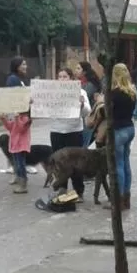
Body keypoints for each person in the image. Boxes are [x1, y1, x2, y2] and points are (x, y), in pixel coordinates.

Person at [49, 68, 91, 199]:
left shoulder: (80, 91)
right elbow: (43, 110)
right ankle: (62, 189)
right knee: (59, 162)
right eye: (59, 77)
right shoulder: (51, 93)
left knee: (76, 163)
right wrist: (36, 104)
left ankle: (79, 191)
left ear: (71, 78)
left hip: (74, 131)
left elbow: (86, 112)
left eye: (65, 76)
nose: (62, 79)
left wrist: (82, 105)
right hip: (56, 131)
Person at [109, 63, 137, 209]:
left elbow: (109, 113)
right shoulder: (132, 92)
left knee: (118, 164)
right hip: (130, 128)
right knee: (126, 163)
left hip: (118, 130)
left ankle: (118, 200)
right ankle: (126, 197)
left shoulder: (114, 93)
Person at [0, 98, 32, 195]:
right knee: (16, 164)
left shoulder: (26, 119)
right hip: (14, 145)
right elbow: (10, 127)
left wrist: (17, 118)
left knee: (21, 165)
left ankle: (23, 184)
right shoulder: (17, 118)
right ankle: (18, 178)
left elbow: (21, 128)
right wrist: (3, 119)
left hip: (21, 145)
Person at [77, 61, 103, 146]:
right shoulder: (79, 82)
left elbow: (83, 96)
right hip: (79, 118)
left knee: (83, 144)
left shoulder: (90, 85)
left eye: (78, 68)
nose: (76, 71)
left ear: (84, 71)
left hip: (88, 117)